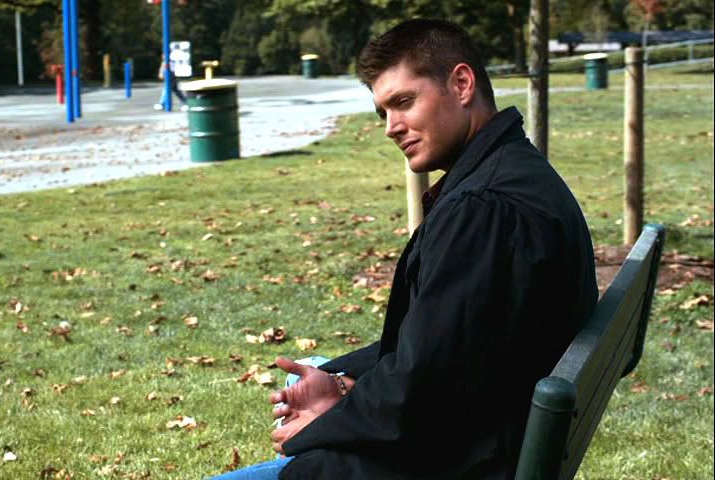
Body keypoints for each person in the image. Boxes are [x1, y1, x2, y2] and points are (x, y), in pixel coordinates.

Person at [211, 18, 597, 480]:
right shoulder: (511, 171)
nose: (391, 128)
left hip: (453, 461)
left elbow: (425, 394)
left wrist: (325, 422)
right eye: (383, 112)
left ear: (461, 84)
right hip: (487, 431)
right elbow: (438, 347)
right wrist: (339, 380)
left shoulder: (484, 209)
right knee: (308, 372)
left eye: (404, 102)